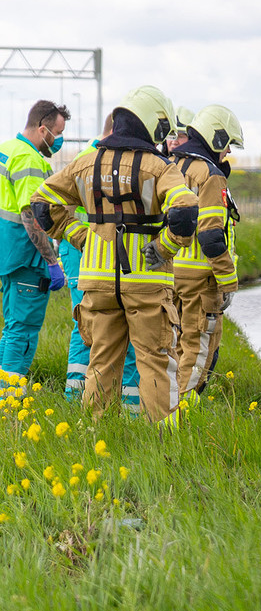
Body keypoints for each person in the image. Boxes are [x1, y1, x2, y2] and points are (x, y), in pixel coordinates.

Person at [31, 85, 199, 423]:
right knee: (154, 360)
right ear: (155, 124)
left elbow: (42, 204)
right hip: (147, 283)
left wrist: (79, 236)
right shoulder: (159, 166)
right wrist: (163, 247)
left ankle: (98, 437)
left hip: (97, 283)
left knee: (101, 360)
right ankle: (166, 443)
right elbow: (185, 211)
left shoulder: (85, 163)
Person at [61, 112, 141, 412]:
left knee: (85, 321)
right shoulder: (100, 160)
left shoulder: (88, 157)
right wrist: (83, 237)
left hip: (85, 249)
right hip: (90, 250)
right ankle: (119, 400)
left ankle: (77, 393)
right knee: (97, 322)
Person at [171, 105, 243, 400]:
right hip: (201, 280)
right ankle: (178, 419)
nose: (227, 152)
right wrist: (228, 282)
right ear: (215, 139)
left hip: (169, 274)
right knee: (198, 351)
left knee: (172, 349)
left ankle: (161, 411)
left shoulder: (171, 165)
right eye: (226, 145)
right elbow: (212, 235)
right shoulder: (210, 175)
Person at [0, 100, 70, 377]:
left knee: (12, 327)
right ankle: (11, 395)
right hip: (26, 256)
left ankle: (5, 388)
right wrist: (52, 262)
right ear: (43, 130)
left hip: (7, 255)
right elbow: (32, 216)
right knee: (24, 330)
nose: (59, 140)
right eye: (58, 133)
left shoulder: (7, 149)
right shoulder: (30, 160)